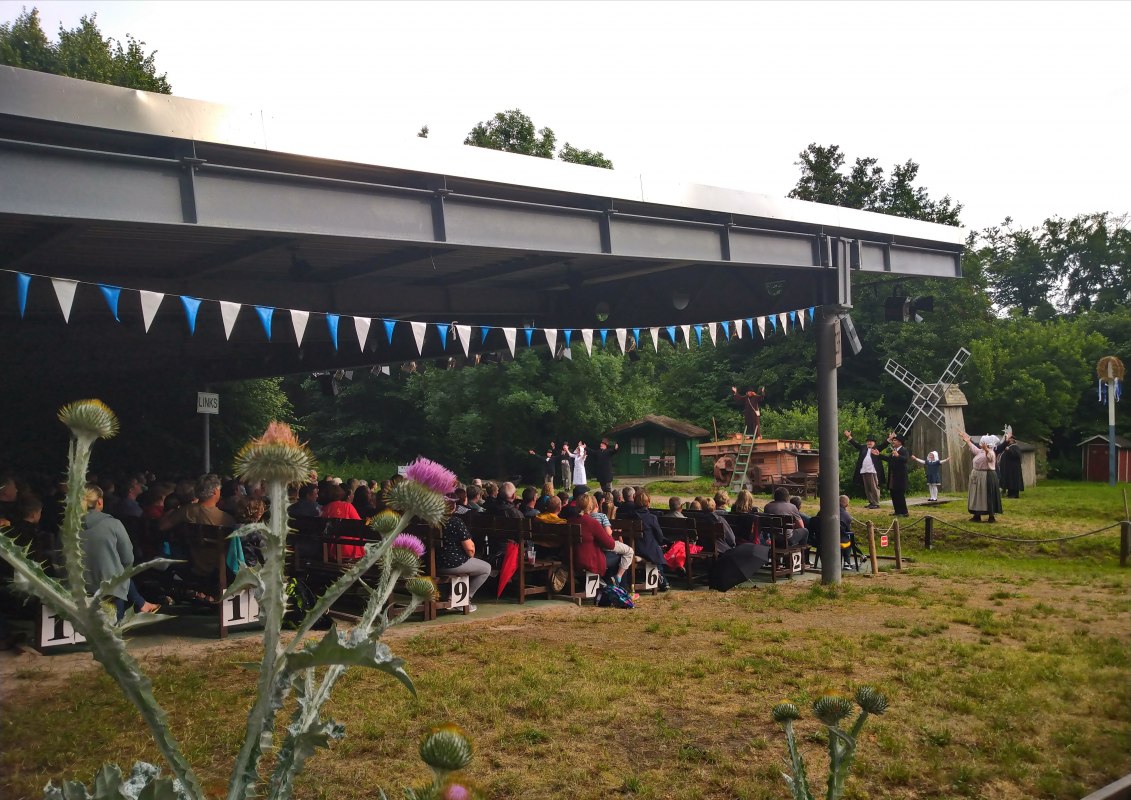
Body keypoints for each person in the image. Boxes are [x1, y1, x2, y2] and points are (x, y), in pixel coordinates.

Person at [79, 484, 160, 620]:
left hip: (77, 586)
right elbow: (128, 558)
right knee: (119, 570)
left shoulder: (66, 527)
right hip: (109, 589)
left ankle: (141, 603)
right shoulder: (114, 524)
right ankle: (140, 603)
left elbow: (59, 559)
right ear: (99, 501)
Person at [435, 512, 491, 613]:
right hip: (452, 563)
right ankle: (463, 600)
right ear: (453, 507)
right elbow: (470, 549)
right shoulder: (455, 521)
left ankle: (452, 597)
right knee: (486, 568)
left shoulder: (428, 519)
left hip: (431, 564)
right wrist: (470, 558)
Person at [573, 493, 631, 584]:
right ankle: (621, 590)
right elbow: (610, 544)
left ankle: (606, 583)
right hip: (590, 561)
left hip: (573, 558)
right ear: (590, 506)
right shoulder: (592, 522)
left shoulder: (570, 521)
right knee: (620, 557)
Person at [959, 432, 1002, 523]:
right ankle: (976, 515)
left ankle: (991, 516)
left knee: (987, 496)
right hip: (977, 477)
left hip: (986, 477)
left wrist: (987, 450)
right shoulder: (980, 451)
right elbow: (975, 449)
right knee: (977, 496)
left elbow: (990, 458)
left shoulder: (991, 452)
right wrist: (968, 441)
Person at [844, 431, 885, 509]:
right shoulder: (863, 448)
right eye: (868, 441)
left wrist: (889, 439)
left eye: (871, 441)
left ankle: (876, 503)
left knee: (874, 487)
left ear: (874, 443)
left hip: (872, 471)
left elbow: (884, 444)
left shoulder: (877, 448)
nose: (869, 443)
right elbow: (855, 444)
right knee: (867, 488)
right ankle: (871, 502)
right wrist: (849, 437)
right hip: (864, 470)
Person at [874, 433, 910, 517]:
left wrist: (898, 456)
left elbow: (905, 460)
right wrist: (878, 455)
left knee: (900, 495)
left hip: (900, 477)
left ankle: (904, 512)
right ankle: (897, 511)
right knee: (893, 494)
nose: (893, 442)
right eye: (893, 440)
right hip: (893, 476)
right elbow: (889, 459)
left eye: (895, 440)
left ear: (900, 442)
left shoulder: (903, 450)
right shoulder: (894, 450)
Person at [996, 434, 1025, 499]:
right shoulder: (1009, 447)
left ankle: (1014, 494)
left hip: (1013, 469)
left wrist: (1009, 450)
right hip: (1008, 468)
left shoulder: (1015, 447)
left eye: (1010, 439)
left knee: (1013, 481)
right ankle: (1009, 493)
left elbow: (1017, 455)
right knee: (1009, 481)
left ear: (1012, 440)